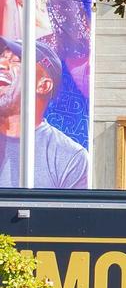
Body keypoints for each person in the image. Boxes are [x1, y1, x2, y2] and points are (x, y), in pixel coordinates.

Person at [0, 38, 88, 188]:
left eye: (16, 60)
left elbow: (75, 212)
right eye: (2, 57)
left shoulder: (70, 157)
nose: (1, 64)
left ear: (43, 86)